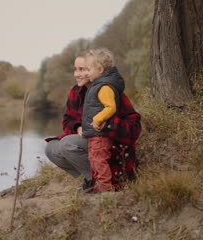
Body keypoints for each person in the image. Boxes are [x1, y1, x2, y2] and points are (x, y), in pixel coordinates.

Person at [44, 50, 141, 192]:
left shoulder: (107, 90)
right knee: (51, 148)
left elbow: (135, 127)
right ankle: (92, 179)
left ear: (97, 70)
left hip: (111, 146)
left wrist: (107, 124)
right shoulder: (76, 92)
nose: (76, 74)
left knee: (66, 144)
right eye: (75, 69)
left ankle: (109, 180)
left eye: (83, 69)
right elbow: (67, 121)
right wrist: (78, 128)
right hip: (89, 140)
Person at [82, 49, 125, 192]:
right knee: (94, 159)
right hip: (95, 134)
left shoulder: (104, 87)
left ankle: (105, 189)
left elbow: (110, 107)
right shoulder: (98, 85)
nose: (86, 73)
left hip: (100, 133)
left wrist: (97, 119)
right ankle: (99, 186)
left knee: (99, 160)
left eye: (88, 69)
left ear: (100, 69)